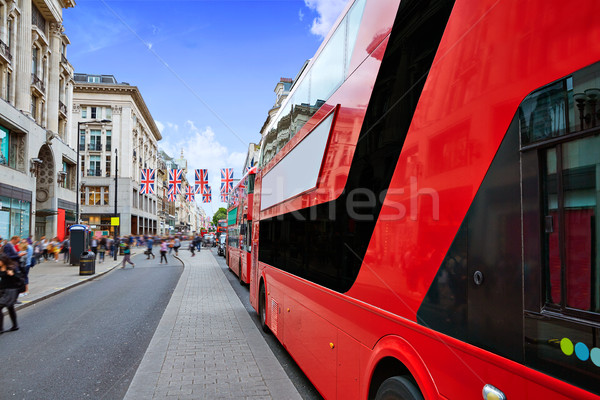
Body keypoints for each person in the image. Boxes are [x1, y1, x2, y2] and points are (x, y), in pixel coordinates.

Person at [0, 254, 22, 333]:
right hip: (2, 291)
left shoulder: (10, 268)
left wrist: (12, 274)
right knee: (10, 308)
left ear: (3, 261)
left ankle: (1, 328)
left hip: (10, 291)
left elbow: (19, 277)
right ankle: (15, 325)